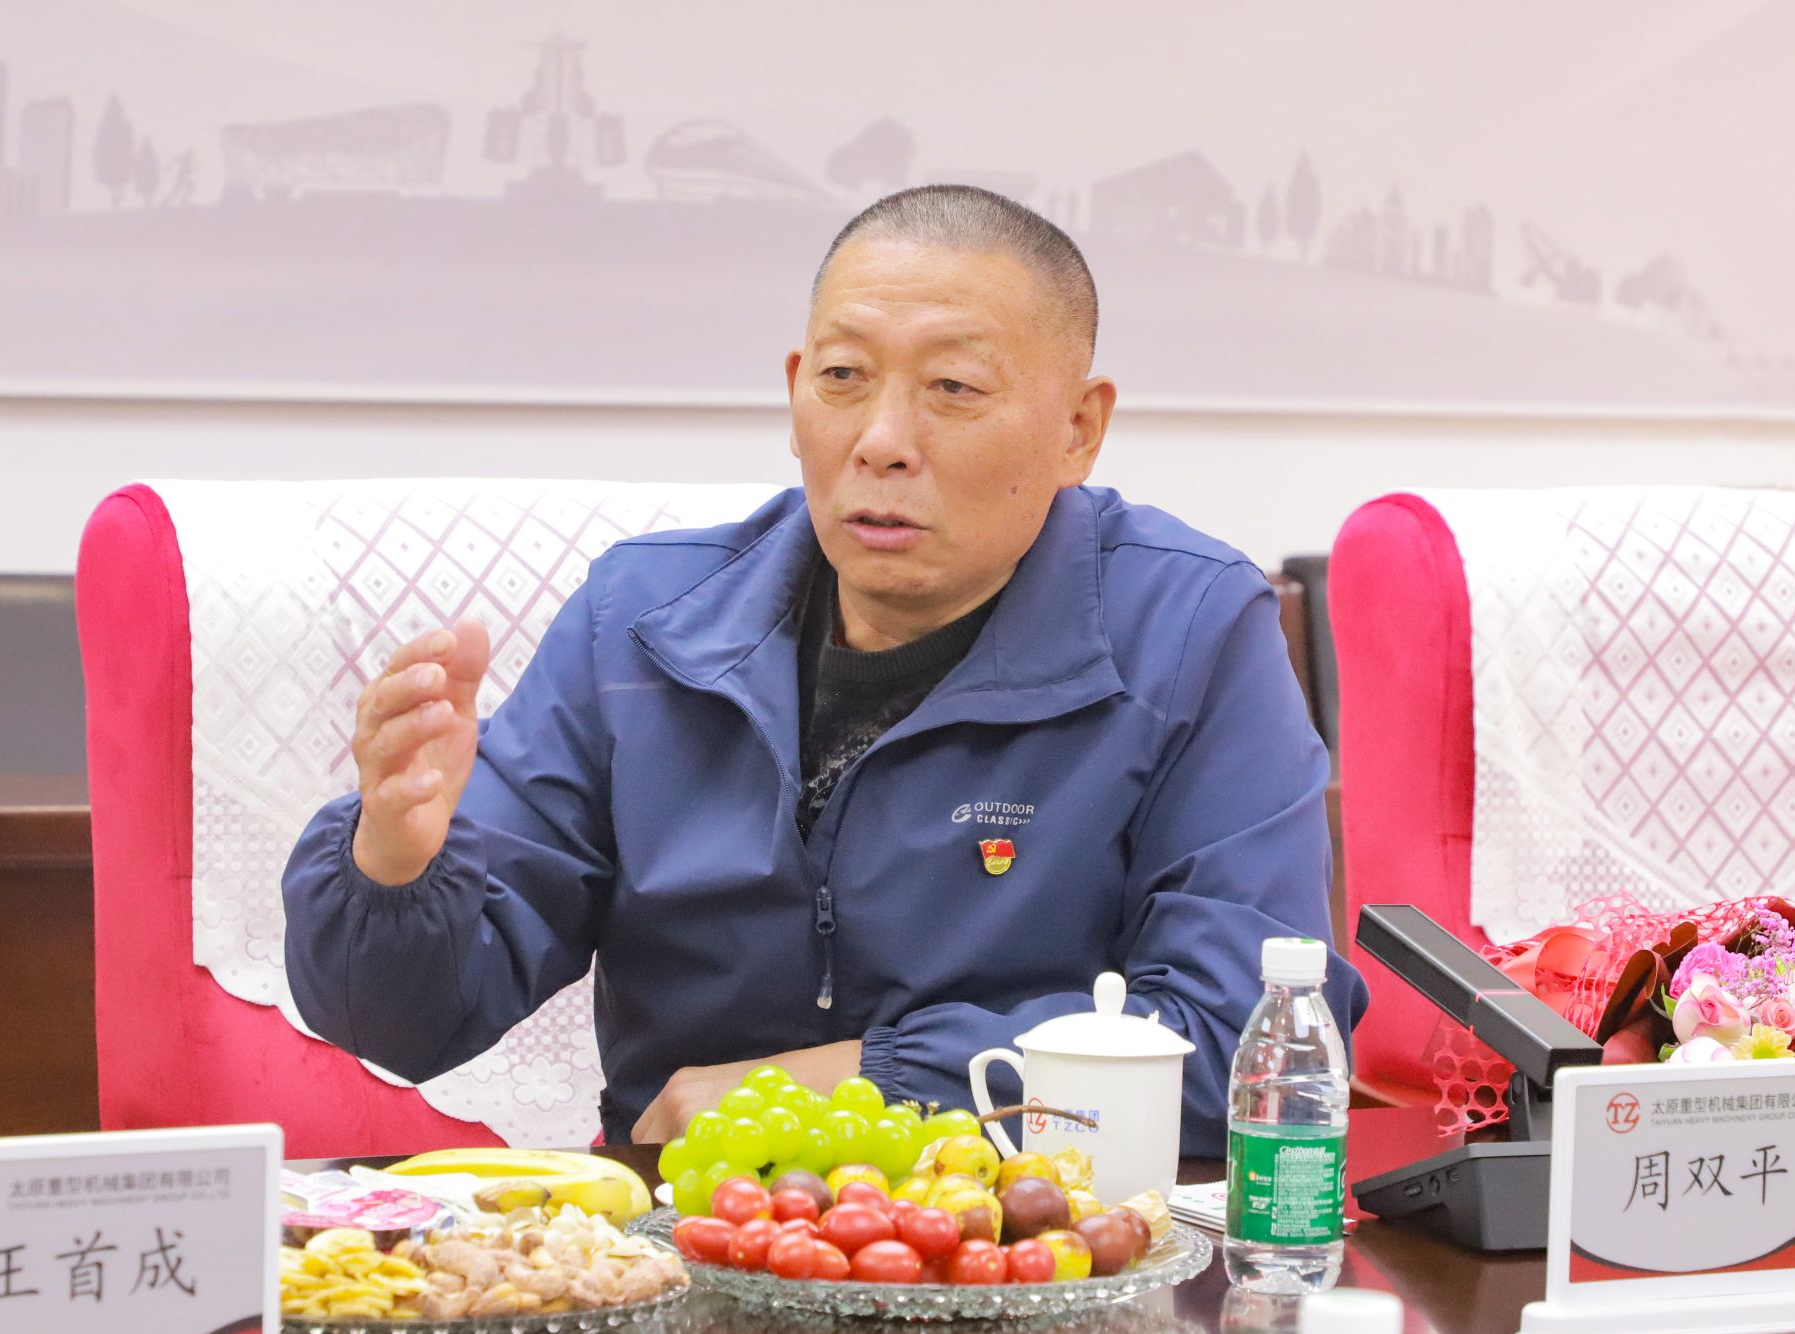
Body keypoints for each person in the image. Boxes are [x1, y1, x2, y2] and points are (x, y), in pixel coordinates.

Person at [283, 184, 1364, 1150]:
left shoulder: (1186, 629)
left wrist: (857, 1087)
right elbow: (408, 1028)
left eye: (953, 388)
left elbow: (1246, 1040)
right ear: (797, 390)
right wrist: (394, 867)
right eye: (844, 378)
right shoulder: (640, 623)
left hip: (1042, 1244)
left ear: (1079, 429)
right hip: (690, 1244)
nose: (881, 440)